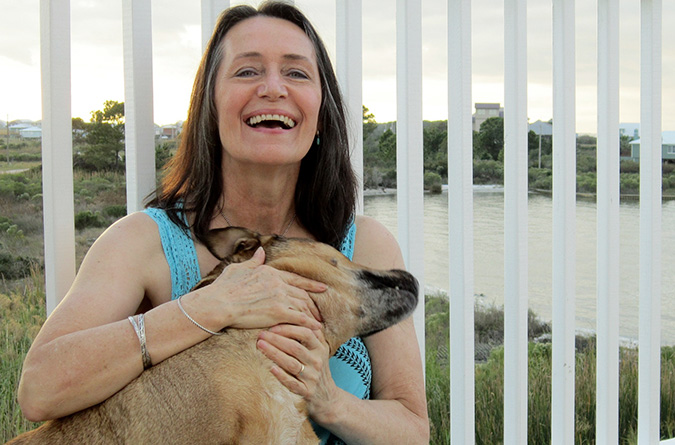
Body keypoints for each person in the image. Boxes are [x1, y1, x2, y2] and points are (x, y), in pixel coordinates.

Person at [17, 2, 429, 443]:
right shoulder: (144, 243)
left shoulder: (364, 245)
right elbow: (39, 390)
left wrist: (328, 400)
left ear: (321, 115)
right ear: (210, 108)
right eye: (247, 71)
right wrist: (209, 307)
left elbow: (413, 431)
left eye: (296, 73)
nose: (273, 88)